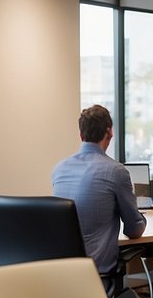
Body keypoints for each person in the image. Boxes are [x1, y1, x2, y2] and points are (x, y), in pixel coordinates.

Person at [51, 105, 146, 283]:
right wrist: (141, 217)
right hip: (96, 278)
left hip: (61, 276)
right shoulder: (116, 171)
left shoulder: (59, 169)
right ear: (109, 133)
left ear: (81, 135)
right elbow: (134, 230)